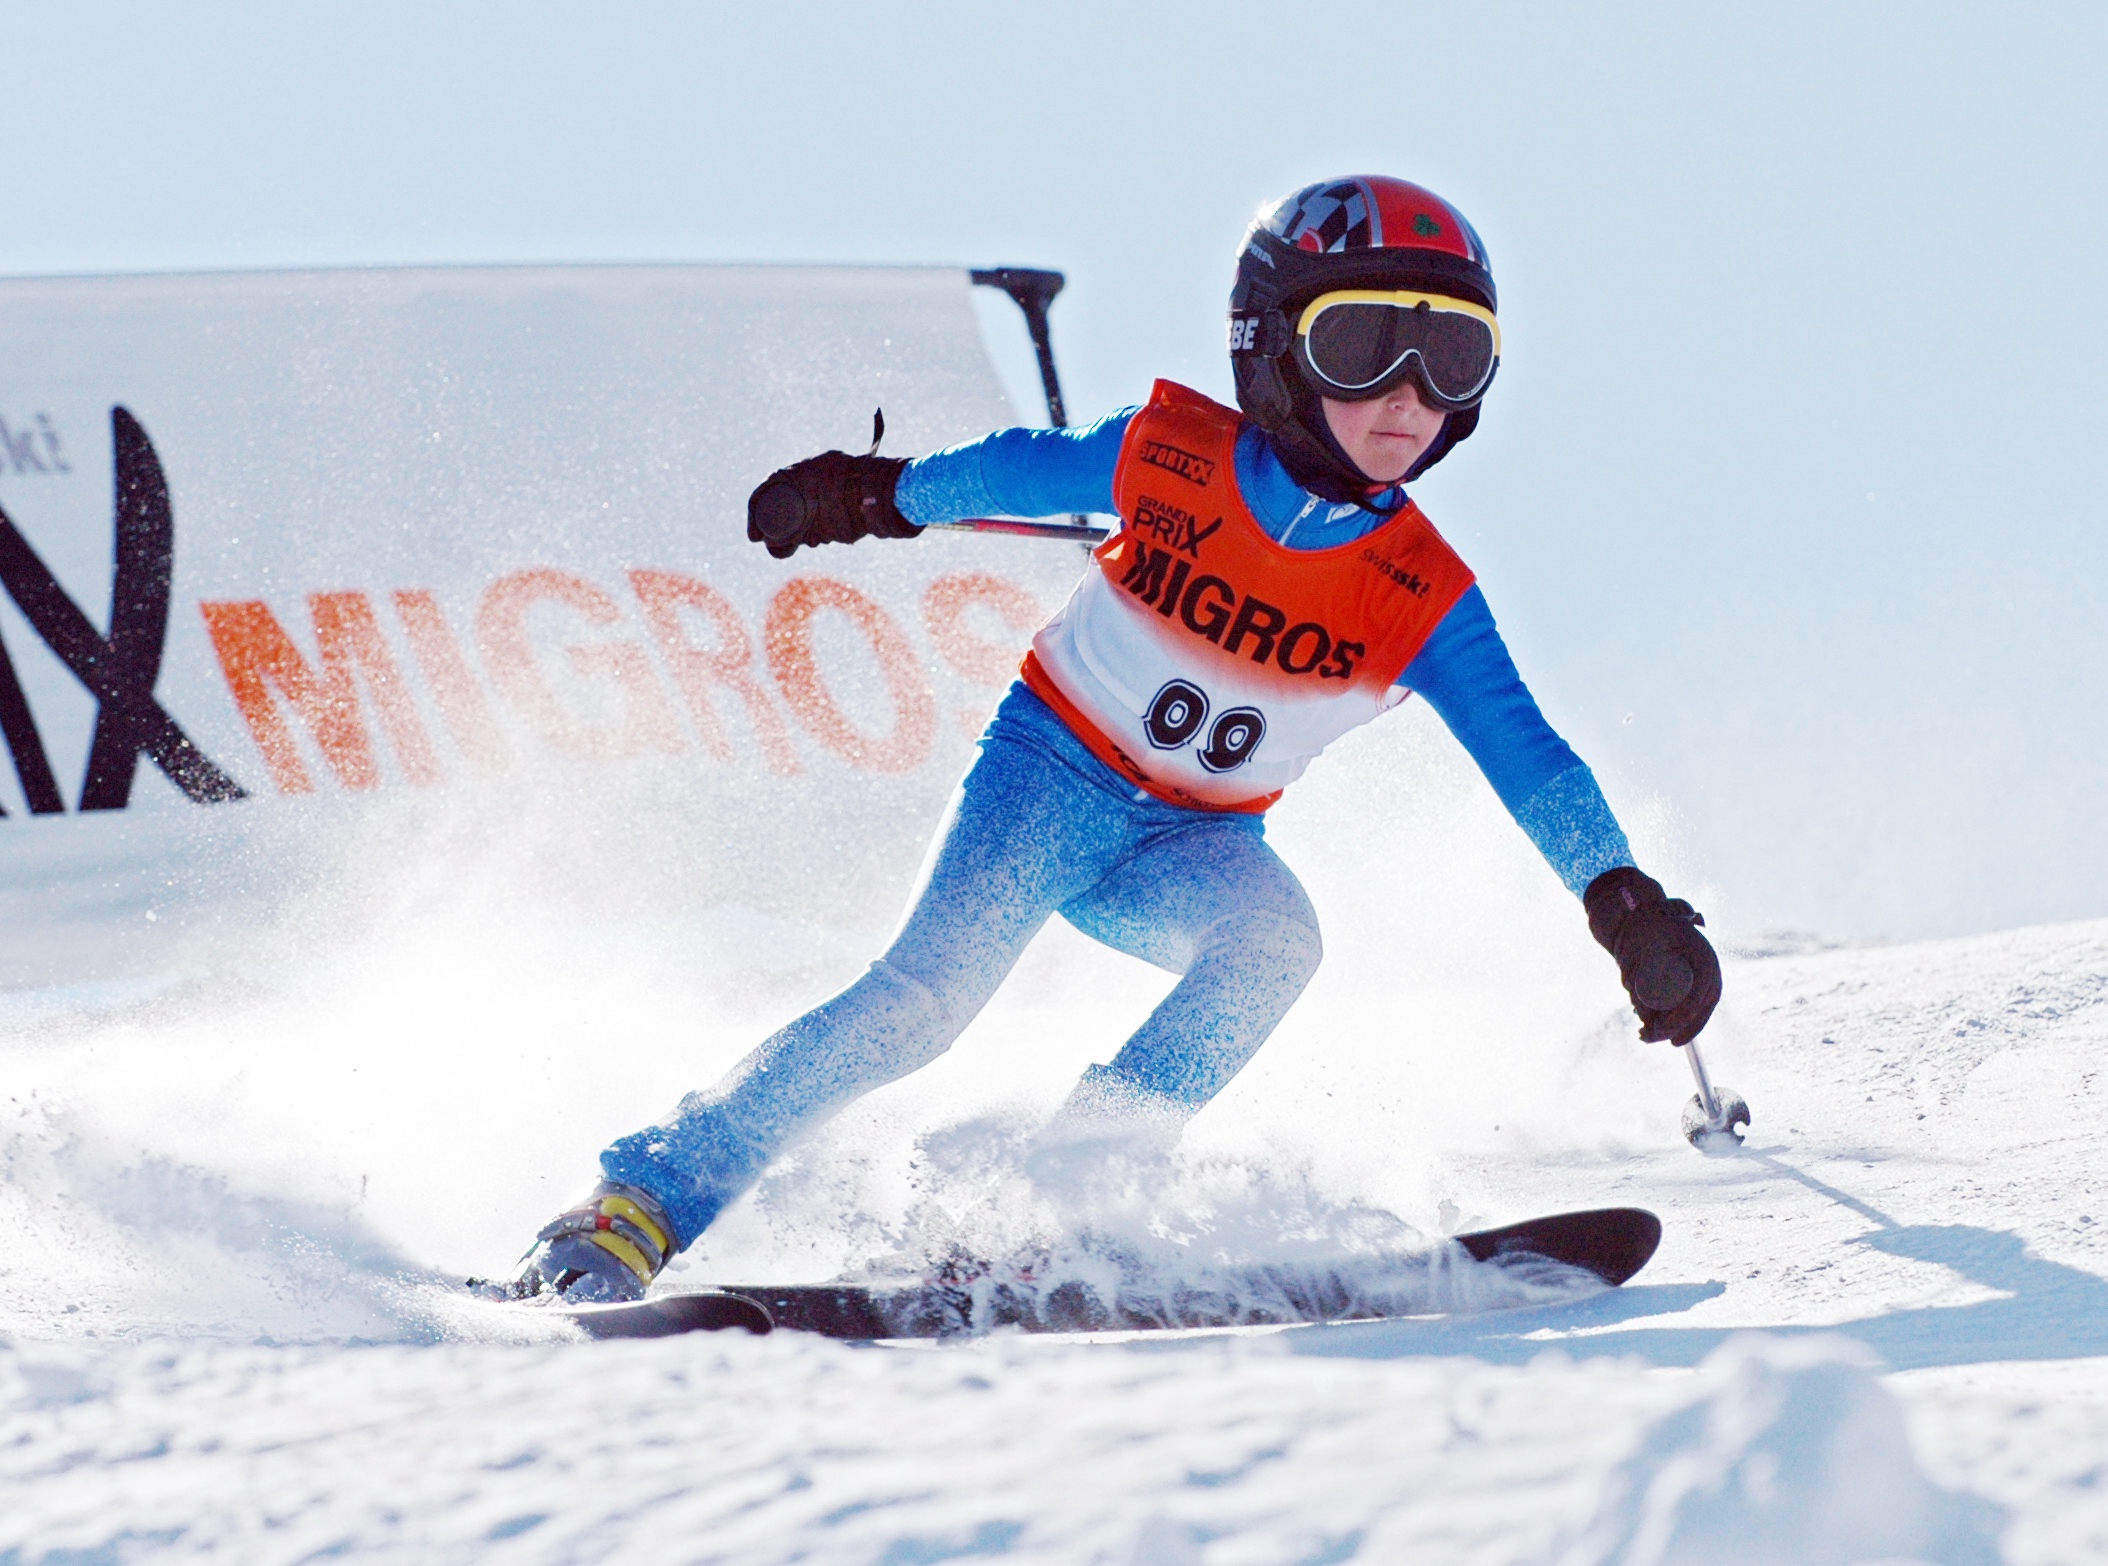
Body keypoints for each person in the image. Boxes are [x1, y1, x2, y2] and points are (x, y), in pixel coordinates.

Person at [512, 175, 1721, 1302]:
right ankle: (637, 1204)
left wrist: (1625, 902)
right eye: (1360, 346)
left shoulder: (1422, 596)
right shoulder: (1177, 460)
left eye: (1452, 357)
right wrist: (873, 496)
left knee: (1274, 946)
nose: (1409, 392)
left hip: (1194, 842)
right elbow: (1025, 467)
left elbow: (1530, 753)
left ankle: (1064, 1197)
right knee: (922, 1002)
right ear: (1271, 349)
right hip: (1049, 778)